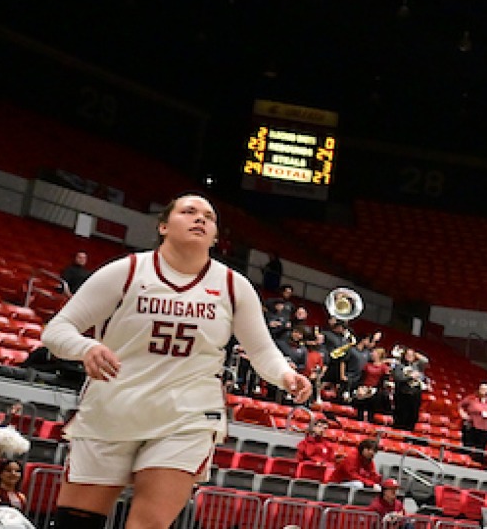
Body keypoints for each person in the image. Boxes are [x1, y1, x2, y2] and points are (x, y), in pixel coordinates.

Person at [39, 194, 313, 529]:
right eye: (189, 212)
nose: (200, 219)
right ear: (164, 226)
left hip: (187, 415)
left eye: (208, 217)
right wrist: (85, 348)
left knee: (149, 524)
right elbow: (57, 330)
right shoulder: (126, 271)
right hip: (113, 407)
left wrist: (286, 374)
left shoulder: (232, 285)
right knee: (76, 523)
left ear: (215, 236)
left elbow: (261, 351)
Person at [459, 382, 487, 459]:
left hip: (484, 428)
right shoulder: (471, 398)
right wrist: (463, 415)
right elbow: (460, 406)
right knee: (467, 447)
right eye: (481, 388)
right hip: (471, 426)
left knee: (480, 450)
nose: (483, 390)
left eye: (485, 389)